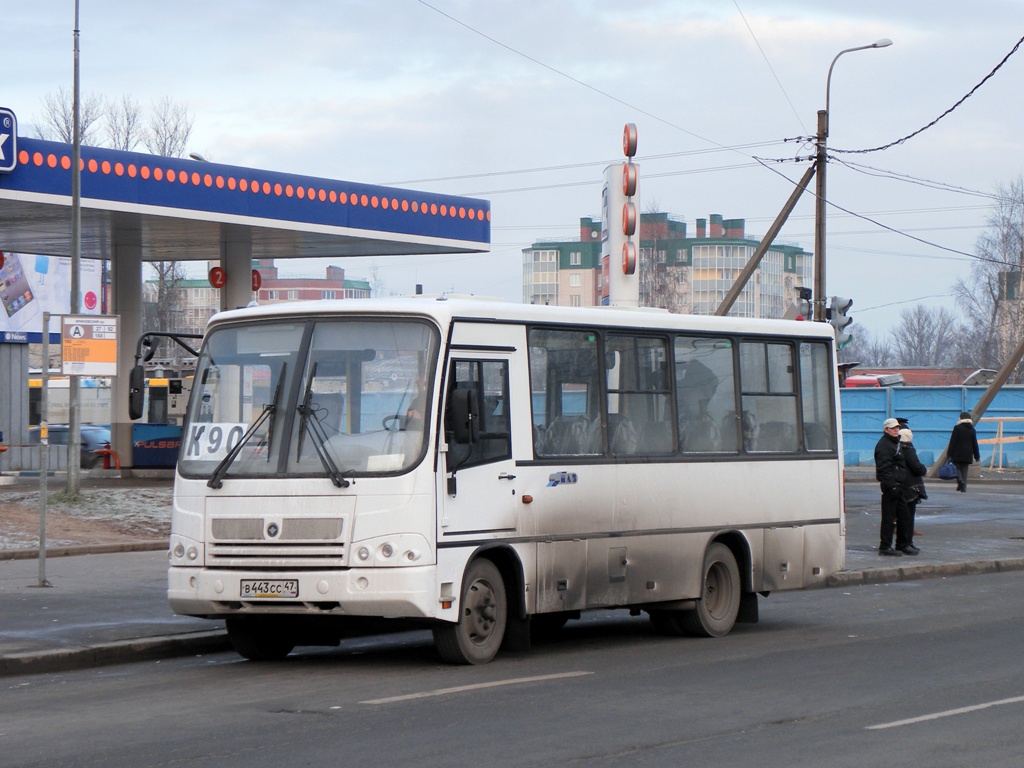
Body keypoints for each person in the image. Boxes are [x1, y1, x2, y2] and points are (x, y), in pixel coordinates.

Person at [874, 417, 910, 556]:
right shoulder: (885, 445)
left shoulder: (894, 443)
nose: (896, 430)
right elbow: (884, 469)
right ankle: (885, 547)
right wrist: (892, 486)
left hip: (897, 485)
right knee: (889, 518)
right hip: (891, 486)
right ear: (886, 430)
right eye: (893, 428)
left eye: (897, 428)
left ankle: (902, 545)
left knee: (903, 516)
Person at [898, 428, 926, 554]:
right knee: (908, 516)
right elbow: (916, 466)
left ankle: (908, 542)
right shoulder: (908, 448)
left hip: (903, 484)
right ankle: (907, 543)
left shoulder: (898, 448)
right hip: (911, 486)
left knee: (905, 516)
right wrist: (923, 469)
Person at [947, 411, 980, 492]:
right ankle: (963, 487)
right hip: (968, 453)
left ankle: (960, 480)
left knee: (957, 468)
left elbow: (953, 442)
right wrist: (977, 456)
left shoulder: (957, 428)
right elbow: (974, 443)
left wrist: (949, 453)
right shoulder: (972, 429)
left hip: (957, 452)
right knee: (965, 470)